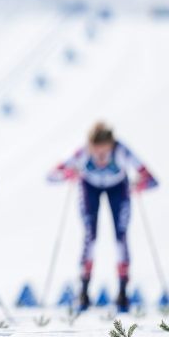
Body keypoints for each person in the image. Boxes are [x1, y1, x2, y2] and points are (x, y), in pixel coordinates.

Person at [48, 122, 158, 312]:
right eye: (96, 151)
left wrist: (138, 185)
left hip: (118, 189)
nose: (100, 157)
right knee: (90, 236)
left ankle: (123, 292)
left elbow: (152, 180)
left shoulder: (121, 151)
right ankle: (83, 291)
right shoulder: (82, 152)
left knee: (121, 237)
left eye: (104, 151)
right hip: (89, 188)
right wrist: (69, 173)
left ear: (111, 145)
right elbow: (51, 175)